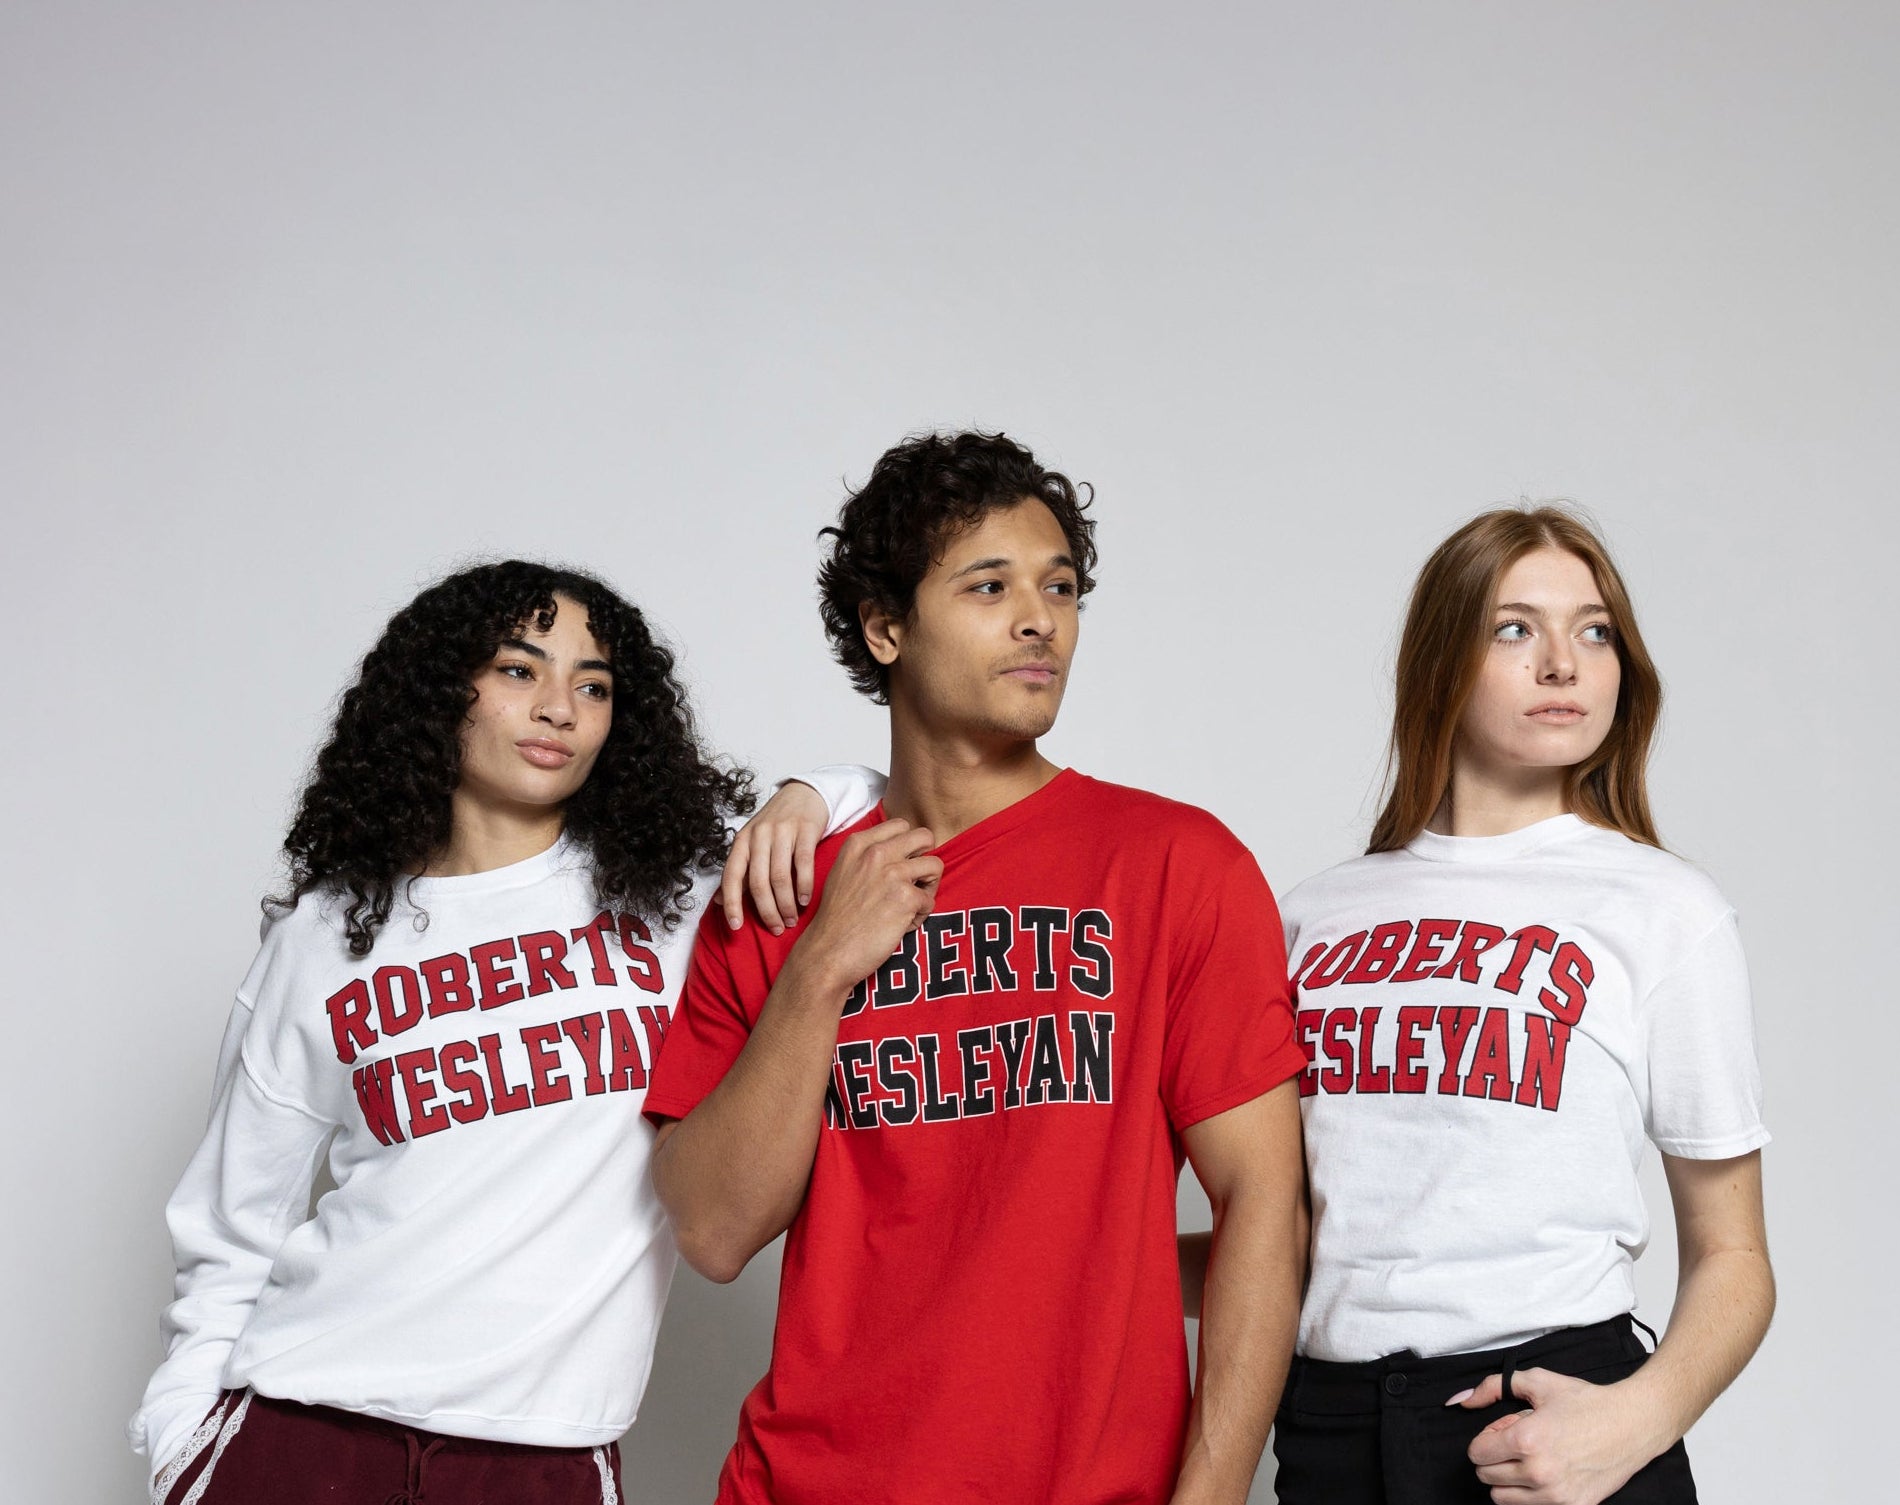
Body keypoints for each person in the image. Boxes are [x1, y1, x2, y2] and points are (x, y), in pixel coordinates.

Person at [644, 431, 1310, 1505]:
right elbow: (714, 1227)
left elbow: (1264, 1205)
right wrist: (820, 967)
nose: (1039, 617)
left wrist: (1211, 1494)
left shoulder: (1176, 866)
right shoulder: (777, 892)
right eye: (988, 584)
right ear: (886, 625)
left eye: (1059, 585)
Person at [128, 560, 881, 1505]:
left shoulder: (677, 893)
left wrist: (808, 791)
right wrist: (182, 1446)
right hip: (302, 1432)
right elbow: (230, 1223)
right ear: (446, 689)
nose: (561, 707)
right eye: (521, 670)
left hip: (540, 1458)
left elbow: (899, 805)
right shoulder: (326, 935)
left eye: (593, 685)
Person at [1191, 507, 1774, 1504]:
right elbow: (1289, 1230)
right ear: (1439, 663)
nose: (1564, 663)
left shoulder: (1665, 909)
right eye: (1514, 628)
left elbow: (1733, 1254)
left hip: (1552, 1423)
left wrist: (1635, 1417)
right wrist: (1065, 1260)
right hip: (1329, 1430)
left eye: (1593, 631)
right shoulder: (1310, 915)